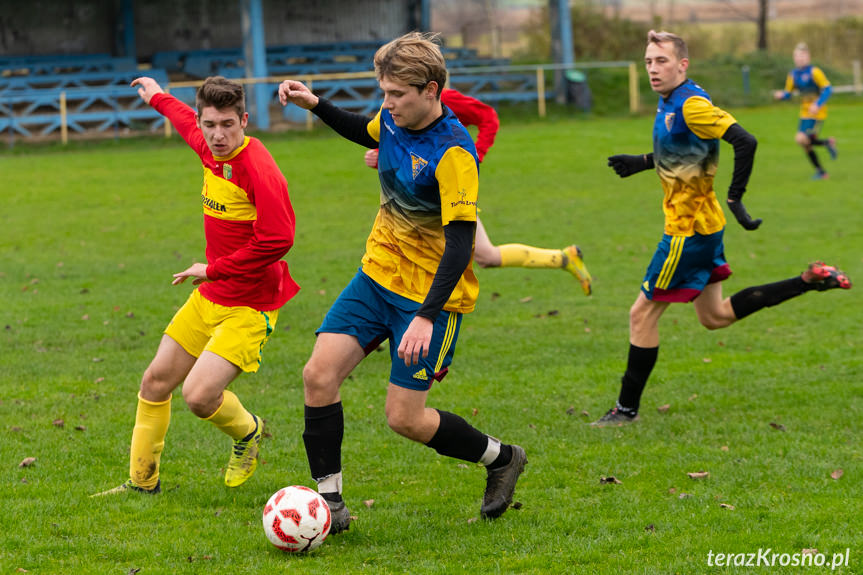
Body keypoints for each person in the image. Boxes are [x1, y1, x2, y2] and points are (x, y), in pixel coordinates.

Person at [278, 32, 526, 532]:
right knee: (318, 376)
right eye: (384, 93)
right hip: (374, 278)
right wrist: (315, 104)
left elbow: (460, 246)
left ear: (431, 90)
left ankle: (502, 458)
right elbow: (364, 129)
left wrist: (425, 319)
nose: (386, 104)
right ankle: (330, 504)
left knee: (404, 418)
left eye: (397, 94)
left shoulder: (455, 155)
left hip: (431, 298)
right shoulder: (392, 120)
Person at [595, 31, 851, 427]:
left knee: (641, 314)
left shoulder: (692, 104)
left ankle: (625, 411)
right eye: (648, 61)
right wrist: (642, 161)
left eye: (661, 61)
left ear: (683, 64)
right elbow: (685, 150)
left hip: (686, 231)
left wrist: (736, 197)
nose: (652, 69)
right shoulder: (674, 101)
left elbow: (745, 141)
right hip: (705, 227)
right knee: (714, 316)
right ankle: (807, 281)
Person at [93, 76, 299, 495]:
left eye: (227, 124)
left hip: (250, 304)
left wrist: (214, 269)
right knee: (154, 382)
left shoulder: (258, 167)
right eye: (210, 125)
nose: (218, 135)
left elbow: (279, 239)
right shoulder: (206, 143)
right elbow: (182, 117)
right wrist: (156, 95)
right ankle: (141, 483)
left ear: (244, 119)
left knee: (200, 396)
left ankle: (249, 433)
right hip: (211, 295)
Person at [363, 88, 592, 295]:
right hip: (422, 196)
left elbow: (488, 117)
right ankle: (564, 258)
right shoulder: (402, 107)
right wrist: (380, 151)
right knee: (485, 256)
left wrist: (476, 156)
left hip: (448, 195)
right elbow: (407, 144)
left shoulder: (447, 99)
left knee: (477, 255)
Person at [773, 43, 837, 180]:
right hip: (804, 113)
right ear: (794, 58)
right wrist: (781, 95)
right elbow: (788, 93)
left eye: (803, 55)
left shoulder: (815, 72)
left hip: (817, 112)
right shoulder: (793, 75)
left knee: (801, 138)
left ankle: (826, 149)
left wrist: (818, 104)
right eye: (797, 56)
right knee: (805, 143)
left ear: (808, 57)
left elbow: (828, 89)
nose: (800, 58)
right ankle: (822, 170)